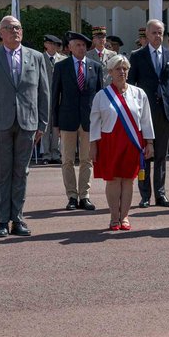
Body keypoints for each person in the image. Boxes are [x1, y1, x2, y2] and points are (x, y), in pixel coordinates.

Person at [0, 15, 51, 238]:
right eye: (9, 28)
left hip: (27, 123)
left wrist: (42, 124)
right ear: (1, 33)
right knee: (1, 172)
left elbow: (43, 92)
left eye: (17, 28)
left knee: (21, 172)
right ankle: (2, 221)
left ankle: (17, 219)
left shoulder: (36, 57)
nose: (14, 31)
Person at [89, 55, 155, 231]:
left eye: (125, 68)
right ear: (110, 72)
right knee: (113, 180)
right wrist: (93, 145)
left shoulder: (139, 93)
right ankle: (114, 217)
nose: (122, 72)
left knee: (128, 180)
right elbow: (94, 122)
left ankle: (124, 216)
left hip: (133, 143)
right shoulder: (102, 95)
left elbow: (146, 120)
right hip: (110, 143)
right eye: (118, 69)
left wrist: (149, 142)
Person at [127, 19, 169, 208]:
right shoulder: (137, 56)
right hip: (144, 112)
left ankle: (160, 194)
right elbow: (130, 84)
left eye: (160, 32)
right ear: (147, 34)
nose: (157, 36)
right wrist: (132, 109)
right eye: (154, 32)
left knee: (161, 156)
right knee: (145, 156)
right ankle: (145, 195)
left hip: (165, 112)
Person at [50, 31, 104, 211]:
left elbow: (99, 97)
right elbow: (55, 96)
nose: (81, 48)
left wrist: (100, 120)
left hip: (89, 120)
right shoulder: (61, 67)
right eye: (78, 45)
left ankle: (85, 196)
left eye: (83, 45)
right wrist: (55, 123)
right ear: (70, 48)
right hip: (67, 119)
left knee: (87, 160)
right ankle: (72, 196)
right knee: (67, 160)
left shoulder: (95, 67)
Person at [38, 34, 66, 164]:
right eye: (51, 44)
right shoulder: (39, 58)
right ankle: (46, 154)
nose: (53, 46)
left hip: (59, 96)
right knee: (45, 125)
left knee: (56, 126)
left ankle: (55, 152)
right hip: (44, 96)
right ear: (45, 45)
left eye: (56, 44)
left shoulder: (63, 59)